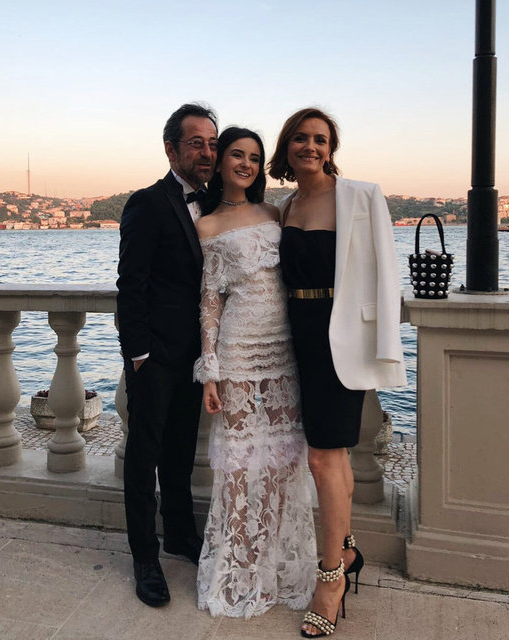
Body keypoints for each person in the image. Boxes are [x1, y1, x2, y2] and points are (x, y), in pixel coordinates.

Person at [269, 108, 406, 638]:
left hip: (340, 336)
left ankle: (329, 580)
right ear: (287, 147)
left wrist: (383, 350)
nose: (311, 146)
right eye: (301, 138)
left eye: (320, 139)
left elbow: (386, 275)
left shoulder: (362, 196)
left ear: (331, 149)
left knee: (323, 458)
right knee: (334, 457)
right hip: (295, 336)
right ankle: (345, 551)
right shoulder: (285, 206)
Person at [193, 126, 317, 619]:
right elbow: (210, 302)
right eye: (237, 155)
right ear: (221, 161)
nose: (246, 163)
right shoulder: (206, 225)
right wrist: (211, 370)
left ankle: (276, 562)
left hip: (286, 346)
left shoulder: (274, 212)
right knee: (239, 461)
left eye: (254, 157)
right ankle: (240, 568)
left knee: (285, 457)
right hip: (239, 348)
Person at [116, 103, 218, 608]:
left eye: (212, 144)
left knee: (179, 452)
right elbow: (130, 284)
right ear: (171, 149)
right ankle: (144, 557)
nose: (207, 153)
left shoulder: (216, 204)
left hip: (196, 357)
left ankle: (179, 534)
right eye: (196, 143)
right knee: (144, 456)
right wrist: (138, 355)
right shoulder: (147, 203)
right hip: (154, 357)